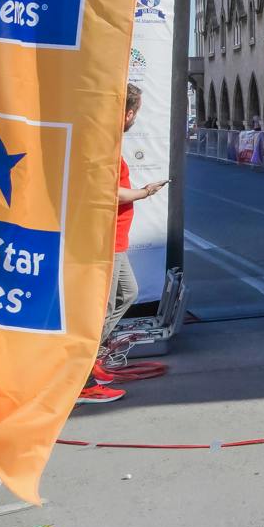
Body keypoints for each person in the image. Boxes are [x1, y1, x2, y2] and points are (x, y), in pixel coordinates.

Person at [80, 84, 166, 405]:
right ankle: (82, 377)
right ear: (128, 113)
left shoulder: (107, 141)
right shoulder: (104, 144)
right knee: (100, 307)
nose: (135, 119)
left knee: (126, 294)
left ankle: (92, 357)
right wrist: (146, 192)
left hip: (114, 239)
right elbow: (110, 192)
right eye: (136, 113)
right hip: (106, 239)